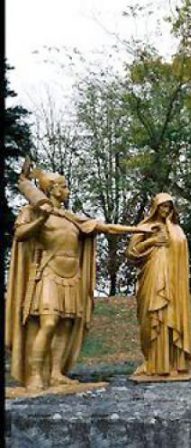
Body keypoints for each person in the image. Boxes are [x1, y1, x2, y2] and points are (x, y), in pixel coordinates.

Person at [5, 162, 148, 392]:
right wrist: (41, 218)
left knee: (65, 325)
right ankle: (34, 377)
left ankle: (56, 374)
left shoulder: (70, 218)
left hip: (72, 276)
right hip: (48, 273)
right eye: (64, 186)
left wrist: (138, 230)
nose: (68, 191)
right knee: (48, 322)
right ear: (52, 190)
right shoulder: (32, 211)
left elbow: (105, 228)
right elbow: (20, 234)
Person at [126, 193, 191, 379]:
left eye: (169, 207)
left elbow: (181, 248)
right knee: (152, 316)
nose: (166, 210)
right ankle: (153, 362)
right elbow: (131, 253)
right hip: (152, 274)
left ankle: (173, 363)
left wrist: (170, 226)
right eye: (162, 207)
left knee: (171, 316)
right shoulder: (145, 227)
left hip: (173, 279)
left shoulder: (177, 229)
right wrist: (151, 240)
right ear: (155, 207)